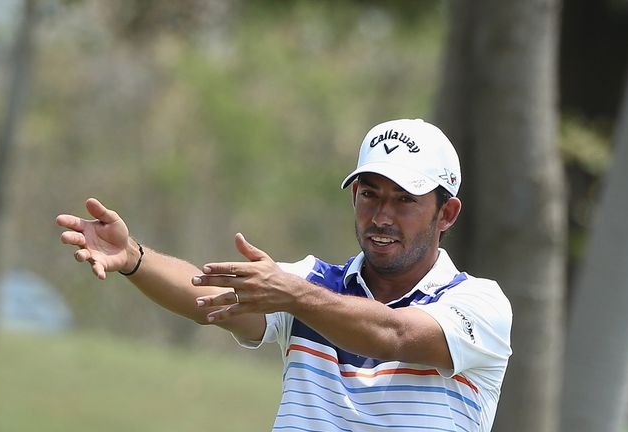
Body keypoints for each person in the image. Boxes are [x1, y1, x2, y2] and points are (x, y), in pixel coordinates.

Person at [56, 118, 512, 431]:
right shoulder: (307, 283)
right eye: (370, 194)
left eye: (405, 200)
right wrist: (133, 257)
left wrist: (293, 296)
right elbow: (207, 301)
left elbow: (394, 334)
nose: (381, 216)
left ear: (447, 213)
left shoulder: (478, 305)